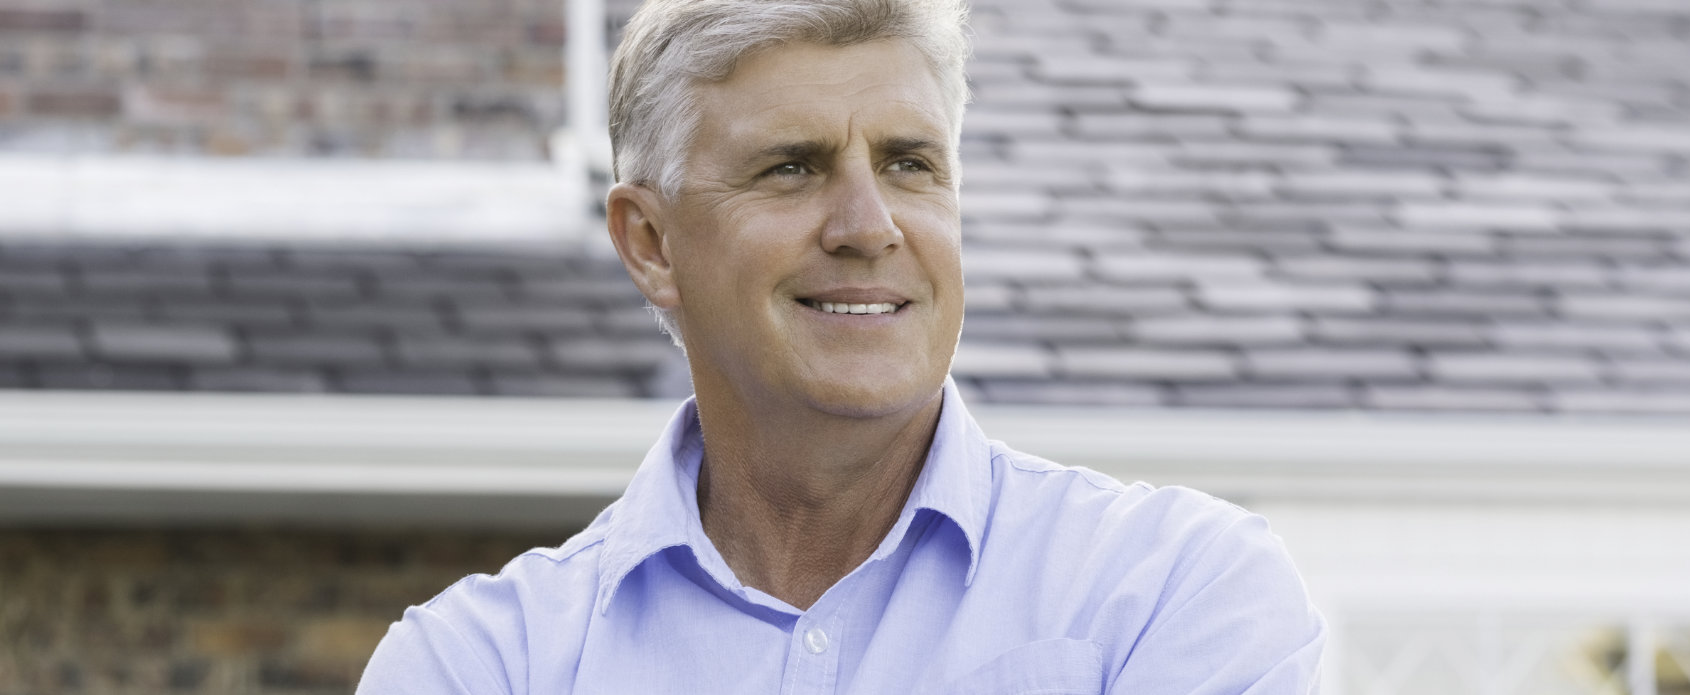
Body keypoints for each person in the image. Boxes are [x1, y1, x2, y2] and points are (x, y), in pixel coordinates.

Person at [356, 0, 1324, 691]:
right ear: (651, 244)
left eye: (910, 163)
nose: (869, 224)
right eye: (792, 167)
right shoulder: (480, 662)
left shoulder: (1173, 590)